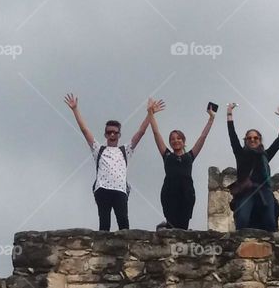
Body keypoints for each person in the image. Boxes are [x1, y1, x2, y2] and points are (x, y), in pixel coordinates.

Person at [64, 94, 163, 231]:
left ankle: (126, 250)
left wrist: (150, 113)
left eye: (115, 133)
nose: (112, 135)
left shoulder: (125, 150)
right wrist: (75, 110)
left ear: (119, 135)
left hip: (120, 190)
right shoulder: (99, 149)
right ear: (105, 134)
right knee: (104, 223)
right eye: (109, 132)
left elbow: (140, 132)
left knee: (123, 222)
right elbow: (85, 130)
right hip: (103, 189)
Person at [148, 102, 215, 229]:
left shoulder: (190, 156)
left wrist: (211, 119)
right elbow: (156, 134)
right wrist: (151, 113)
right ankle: (166, 226)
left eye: (179, 138)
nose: (175, 141)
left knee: (183, 225)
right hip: (169, 192)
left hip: (186, 193)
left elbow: (203, 137)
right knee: (172, 222)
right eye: (172, 139)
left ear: (184, 142)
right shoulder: (167, 155)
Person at [226, 102, 279, 231]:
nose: (252, 140)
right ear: (245, 140)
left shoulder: (264, 155)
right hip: (246, 191)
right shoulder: (241, 154)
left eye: (255, 138)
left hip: (264, 191)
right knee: (242, 220)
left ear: (259, 140)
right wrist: (229, 114)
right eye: (249, 138)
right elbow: (232, 135)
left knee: (270, 222)